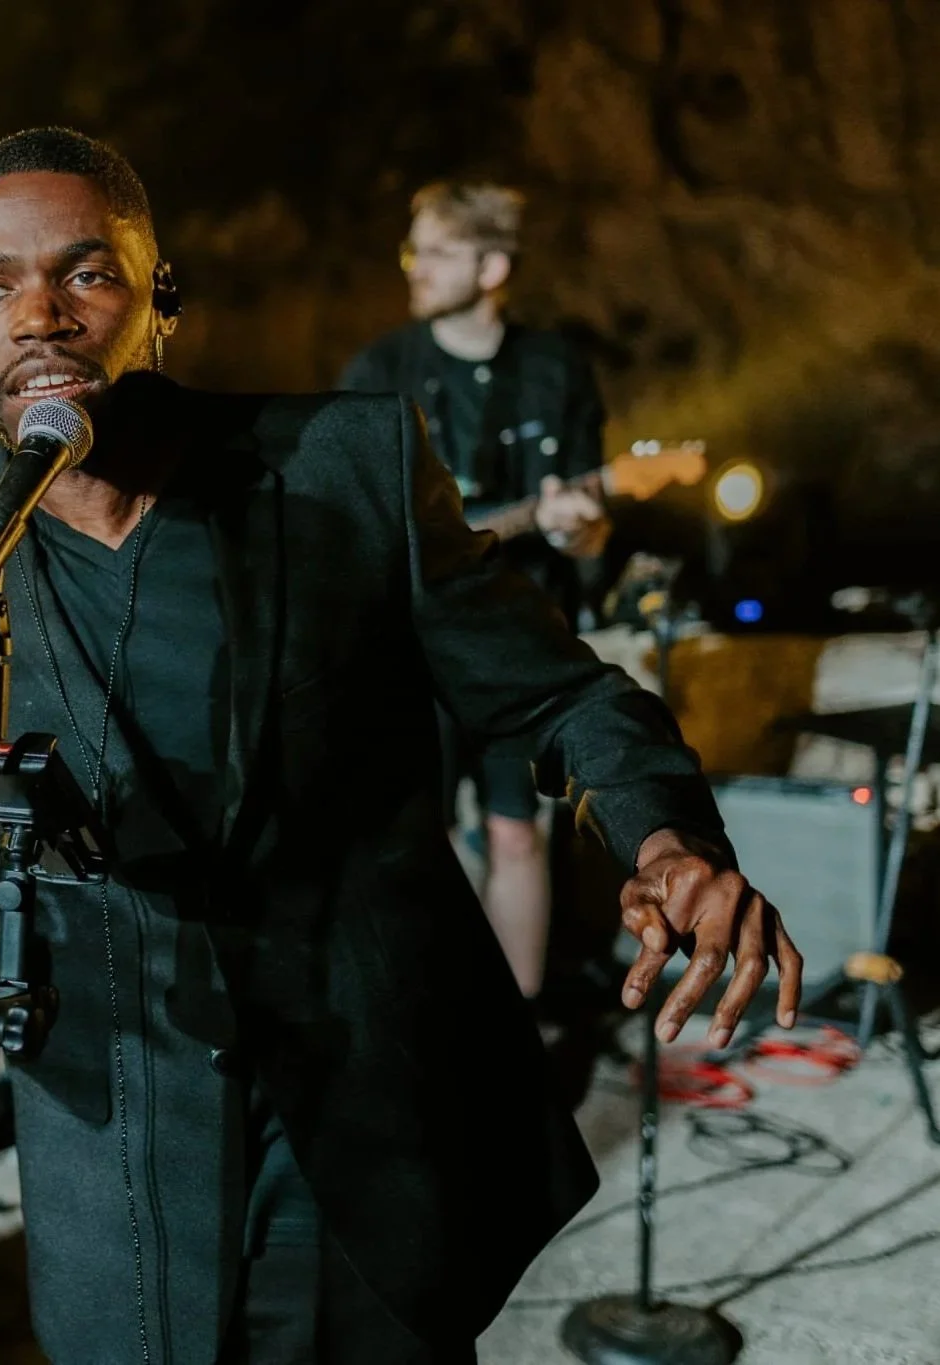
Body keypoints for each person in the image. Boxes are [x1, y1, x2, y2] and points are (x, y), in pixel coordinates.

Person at [0, 131, 801, 1364]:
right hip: (117, 1178)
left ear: (157, 302)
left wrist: (665, 839)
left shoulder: (343, 468)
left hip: (360, 1135)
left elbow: (556, 698)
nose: (38, 314)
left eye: (83, 272)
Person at [340, 183, 610, 999]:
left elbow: (590, 531)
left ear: (493, 267)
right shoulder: (380, 369)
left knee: (516, 833)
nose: (416, 267)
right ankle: (435, 1024)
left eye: (438, 252)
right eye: (412, 249)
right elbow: (351, 516)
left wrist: (575, 529)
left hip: (518, 639)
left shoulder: (557, 368)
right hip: (409, 643)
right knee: (413, 840)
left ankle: (519, 1038)